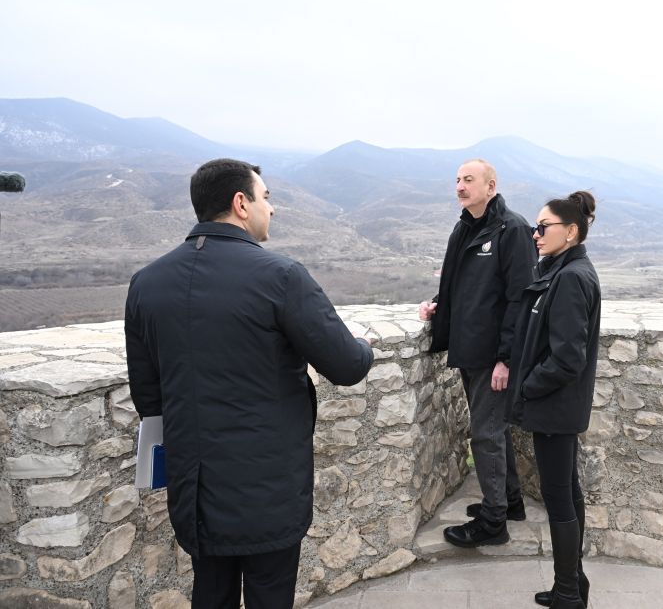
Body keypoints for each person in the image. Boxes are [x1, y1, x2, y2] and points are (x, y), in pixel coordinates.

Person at [125, 158, 374, 609]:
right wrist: (363, 343)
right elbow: (347, 366)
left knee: (210, 594)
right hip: (268, 489)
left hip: (195, 490)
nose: (271, 209)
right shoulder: (281, 276)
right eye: (266, 198)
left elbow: (148, 396)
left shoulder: (146, 283)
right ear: (241, 204)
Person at [418, 159, 536, 547]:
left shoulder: (512, 229)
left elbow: (521, 298)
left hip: (492, 355)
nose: (460, 186)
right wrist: (438, 305)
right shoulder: (465, 227)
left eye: (468, 180)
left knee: (485, 434)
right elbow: (460, 284)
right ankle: (510, 502)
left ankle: (493, 521)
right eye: (457, 179)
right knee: (494, 431)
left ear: (491, 186)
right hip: (469, 348)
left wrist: (506, 358)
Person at [505, 191, 601, 609]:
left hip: (554, 407)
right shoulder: (563, 270)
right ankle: (574, 583)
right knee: (568, 492)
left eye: (544, 227)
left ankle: (567, 594)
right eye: (535, 227)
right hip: (557, 406)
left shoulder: (571, 278)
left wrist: (528, 386)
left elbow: (567, 358)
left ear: (572, 231)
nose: (535, 234)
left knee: (559, 498)